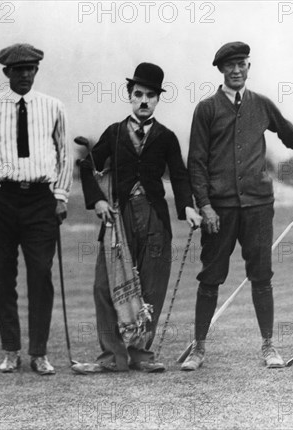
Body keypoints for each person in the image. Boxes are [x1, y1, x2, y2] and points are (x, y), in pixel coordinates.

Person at [183, 42, 293, 371]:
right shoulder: (207, 109)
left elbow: (292, 137)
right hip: (220, 209)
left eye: (242, 63)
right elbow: (196, 163)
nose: (237, 70)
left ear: (248, 67)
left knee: (261, 276)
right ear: (221, 70)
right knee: (210, 277)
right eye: (230, 65)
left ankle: (269, 346)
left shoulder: (262, 105)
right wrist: (205, 205)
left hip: (258, 206)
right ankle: (198, 349)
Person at [75, 62, 202, 374]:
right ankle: (112, 357)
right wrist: (99, 200)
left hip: (155, 219)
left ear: (158, 99)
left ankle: (141, 354)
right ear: (129, 95)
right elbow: (87, 165)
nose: (144, 101)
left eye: (151, 96)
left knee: (152, 286)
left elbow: (181, 176)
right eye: (138, 94)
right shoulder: (114, 133)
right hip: (118, 218)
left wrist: (187, 207)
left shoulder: (167, 137)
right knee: (105, 287)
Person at [0, 43, 73, 375]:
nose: (25, 75)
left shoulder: (53, 107)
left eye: (31, 69)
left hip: (41, 201)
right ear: (7, 72)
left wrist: (61, 196)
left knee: (41, 275)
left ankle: (39, 352)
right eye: (18, 69)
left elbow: (65, 156)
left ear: (37, 71)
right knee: (2, 277)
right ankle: (11, 350)